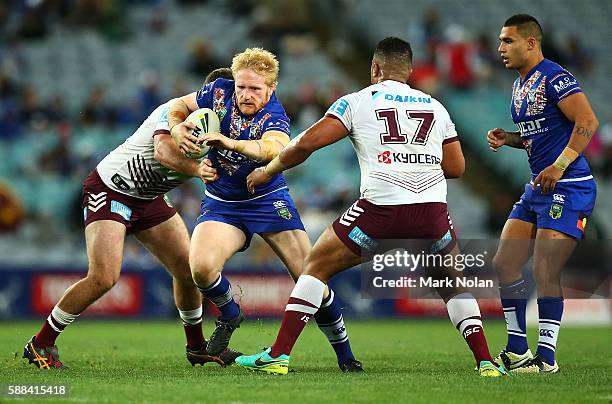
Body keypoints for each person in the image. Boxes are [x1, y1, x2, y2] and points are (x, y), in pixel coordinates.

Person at [236, 37, 506, 377]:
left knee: (316, 265)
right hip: (431, 213)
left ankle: (278, 355)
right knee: (452, 284)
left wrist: (268, 170)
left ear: (374, 68)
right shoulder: (436, 107)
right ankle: (485, 362)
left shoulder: (358, 101)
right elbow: (456, 168)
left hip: (381, 210)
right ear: (409, 71)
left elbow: (306, 143)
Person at [23, 68, 240, 369]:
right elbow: (163, 152)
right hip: (113, 189)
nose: (234, 101)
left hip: (149, 196)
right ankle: (40, 342)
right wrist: (197, 170)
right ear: (210, 95)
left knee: (187, 269)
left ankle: (196, 347)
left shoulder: (225, 127)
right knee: (104, 276)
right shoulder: (175, 112)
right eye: (230, 94)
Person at [169, 48, 362, 372]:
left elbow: (271, 147)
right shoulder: (218, 91)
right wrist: (177, 129)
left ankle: (345, 355)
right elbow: (179, 106)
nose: (245, 94)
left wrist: (230, 144)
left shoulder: (275, 115)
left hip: (268, 200)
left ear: (271, 89)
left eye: (255, 89)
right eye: (241, 87)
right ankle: (231, 313)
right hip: (223, 204)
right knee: (200, 268)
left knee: (310, 277)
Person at [487, 14, 598, 373]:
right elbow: (539, 136)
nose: (500, 48)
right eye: (501, 41)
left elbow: (587, 122)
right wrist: (510, 138)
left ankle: (546, 359)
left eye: (508, 41)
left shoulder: (555, 77)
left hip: (568, 186)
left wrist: (560, 165)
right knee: (505, 263)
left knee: (545, 268)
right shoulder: (520, 85)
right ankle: (518, 350)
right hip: (538, 187)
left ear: (531, 43)